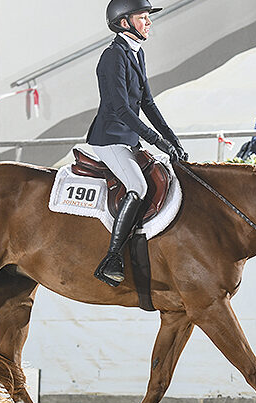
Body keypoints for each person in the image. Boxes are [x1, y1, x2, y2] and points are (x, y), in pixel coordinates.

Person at [86, 0, 187, 287]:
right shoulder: (112, 57)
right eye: (143, 17)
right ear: (124, 22)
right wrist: (156, 141)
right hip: (110, 138)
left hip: (128, 138)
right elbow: (121, 109)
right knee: (139, 187)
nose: (149, 22)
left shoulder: (136, 54)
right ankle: (112, 258)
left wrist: (172, 140)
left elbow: (147, 102)